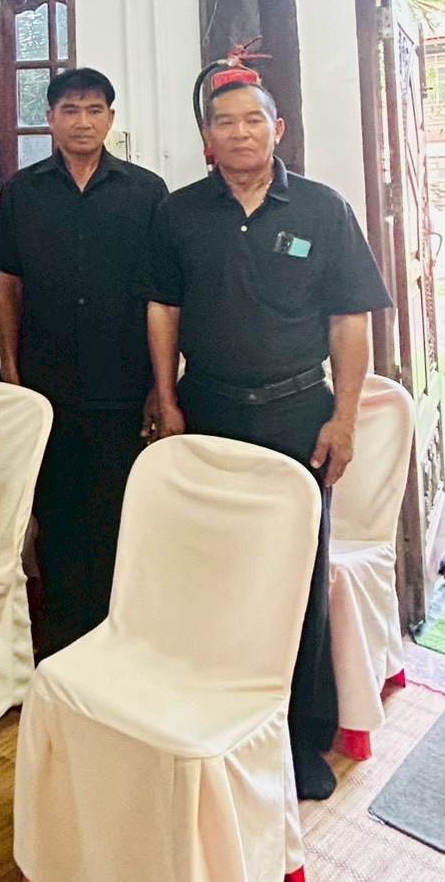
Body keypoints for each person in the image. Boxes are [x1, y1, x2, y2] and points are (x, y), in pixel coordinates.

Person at [145, 77, 392, 801]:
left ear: (277, 129)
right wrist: (165, 398)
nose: (242, 132)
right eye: (226, 121)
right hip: (208, 409)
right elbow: (164, 308)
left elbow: (351, 320)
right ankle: (216, 710)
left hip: (294, 415)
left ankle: (299, 732)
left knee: (298, 575)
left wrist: (343, 417)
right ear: (206, 138)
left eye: (255, 119)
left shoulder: (323, 206)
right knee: (212, 568)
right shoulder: (180, 212)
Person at [0, 67, 167, 655]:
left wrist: (159, 389)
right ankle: (60, 646)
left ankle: (115, 643)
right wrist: (11, 374)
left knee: (118, 518)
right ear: (51, 120)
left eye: (94, 109)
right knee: (56, 519)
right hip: (46, 386)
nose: (82, 121)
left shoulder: (146, 192)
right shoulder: (22, 191)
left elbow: (163, 298)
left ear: (111, 118)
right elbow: (7, 287)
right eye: (70, 109)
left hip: (122, 386)